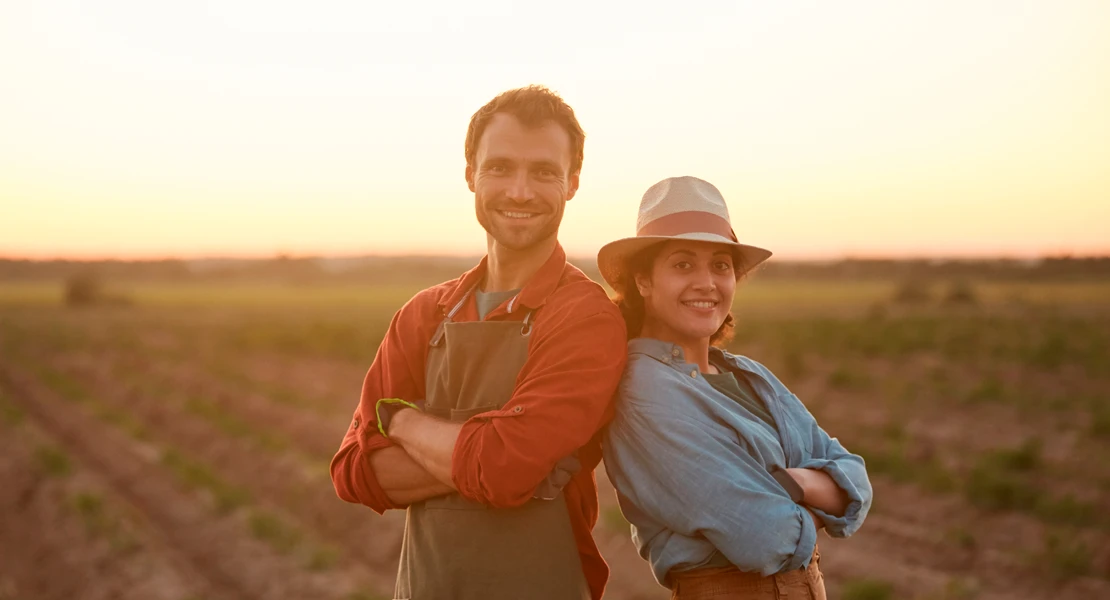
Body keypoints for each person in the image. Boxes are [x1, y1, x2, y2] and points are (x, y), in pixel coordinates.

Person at [329, 85, 627, 600]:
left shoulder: (585, 317)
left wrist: (401, 421)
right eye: (500, 167)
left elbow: (505, 466)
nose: (519, 191)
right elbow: (355, 473)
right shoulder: (423, 314)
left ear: (573, 182)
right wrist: (505, 460)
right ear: (470, 174)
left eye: (543, 172)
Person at [598, 176, 872, 600]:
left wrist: (792, 487)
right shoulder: (643, 389)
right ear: (643, 280)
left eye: (721, 265)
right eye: (683, 264)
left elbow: (856, 478)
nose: (707, 282)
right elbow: (765, 537)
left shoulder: (749, 375)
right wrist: (821, 490)